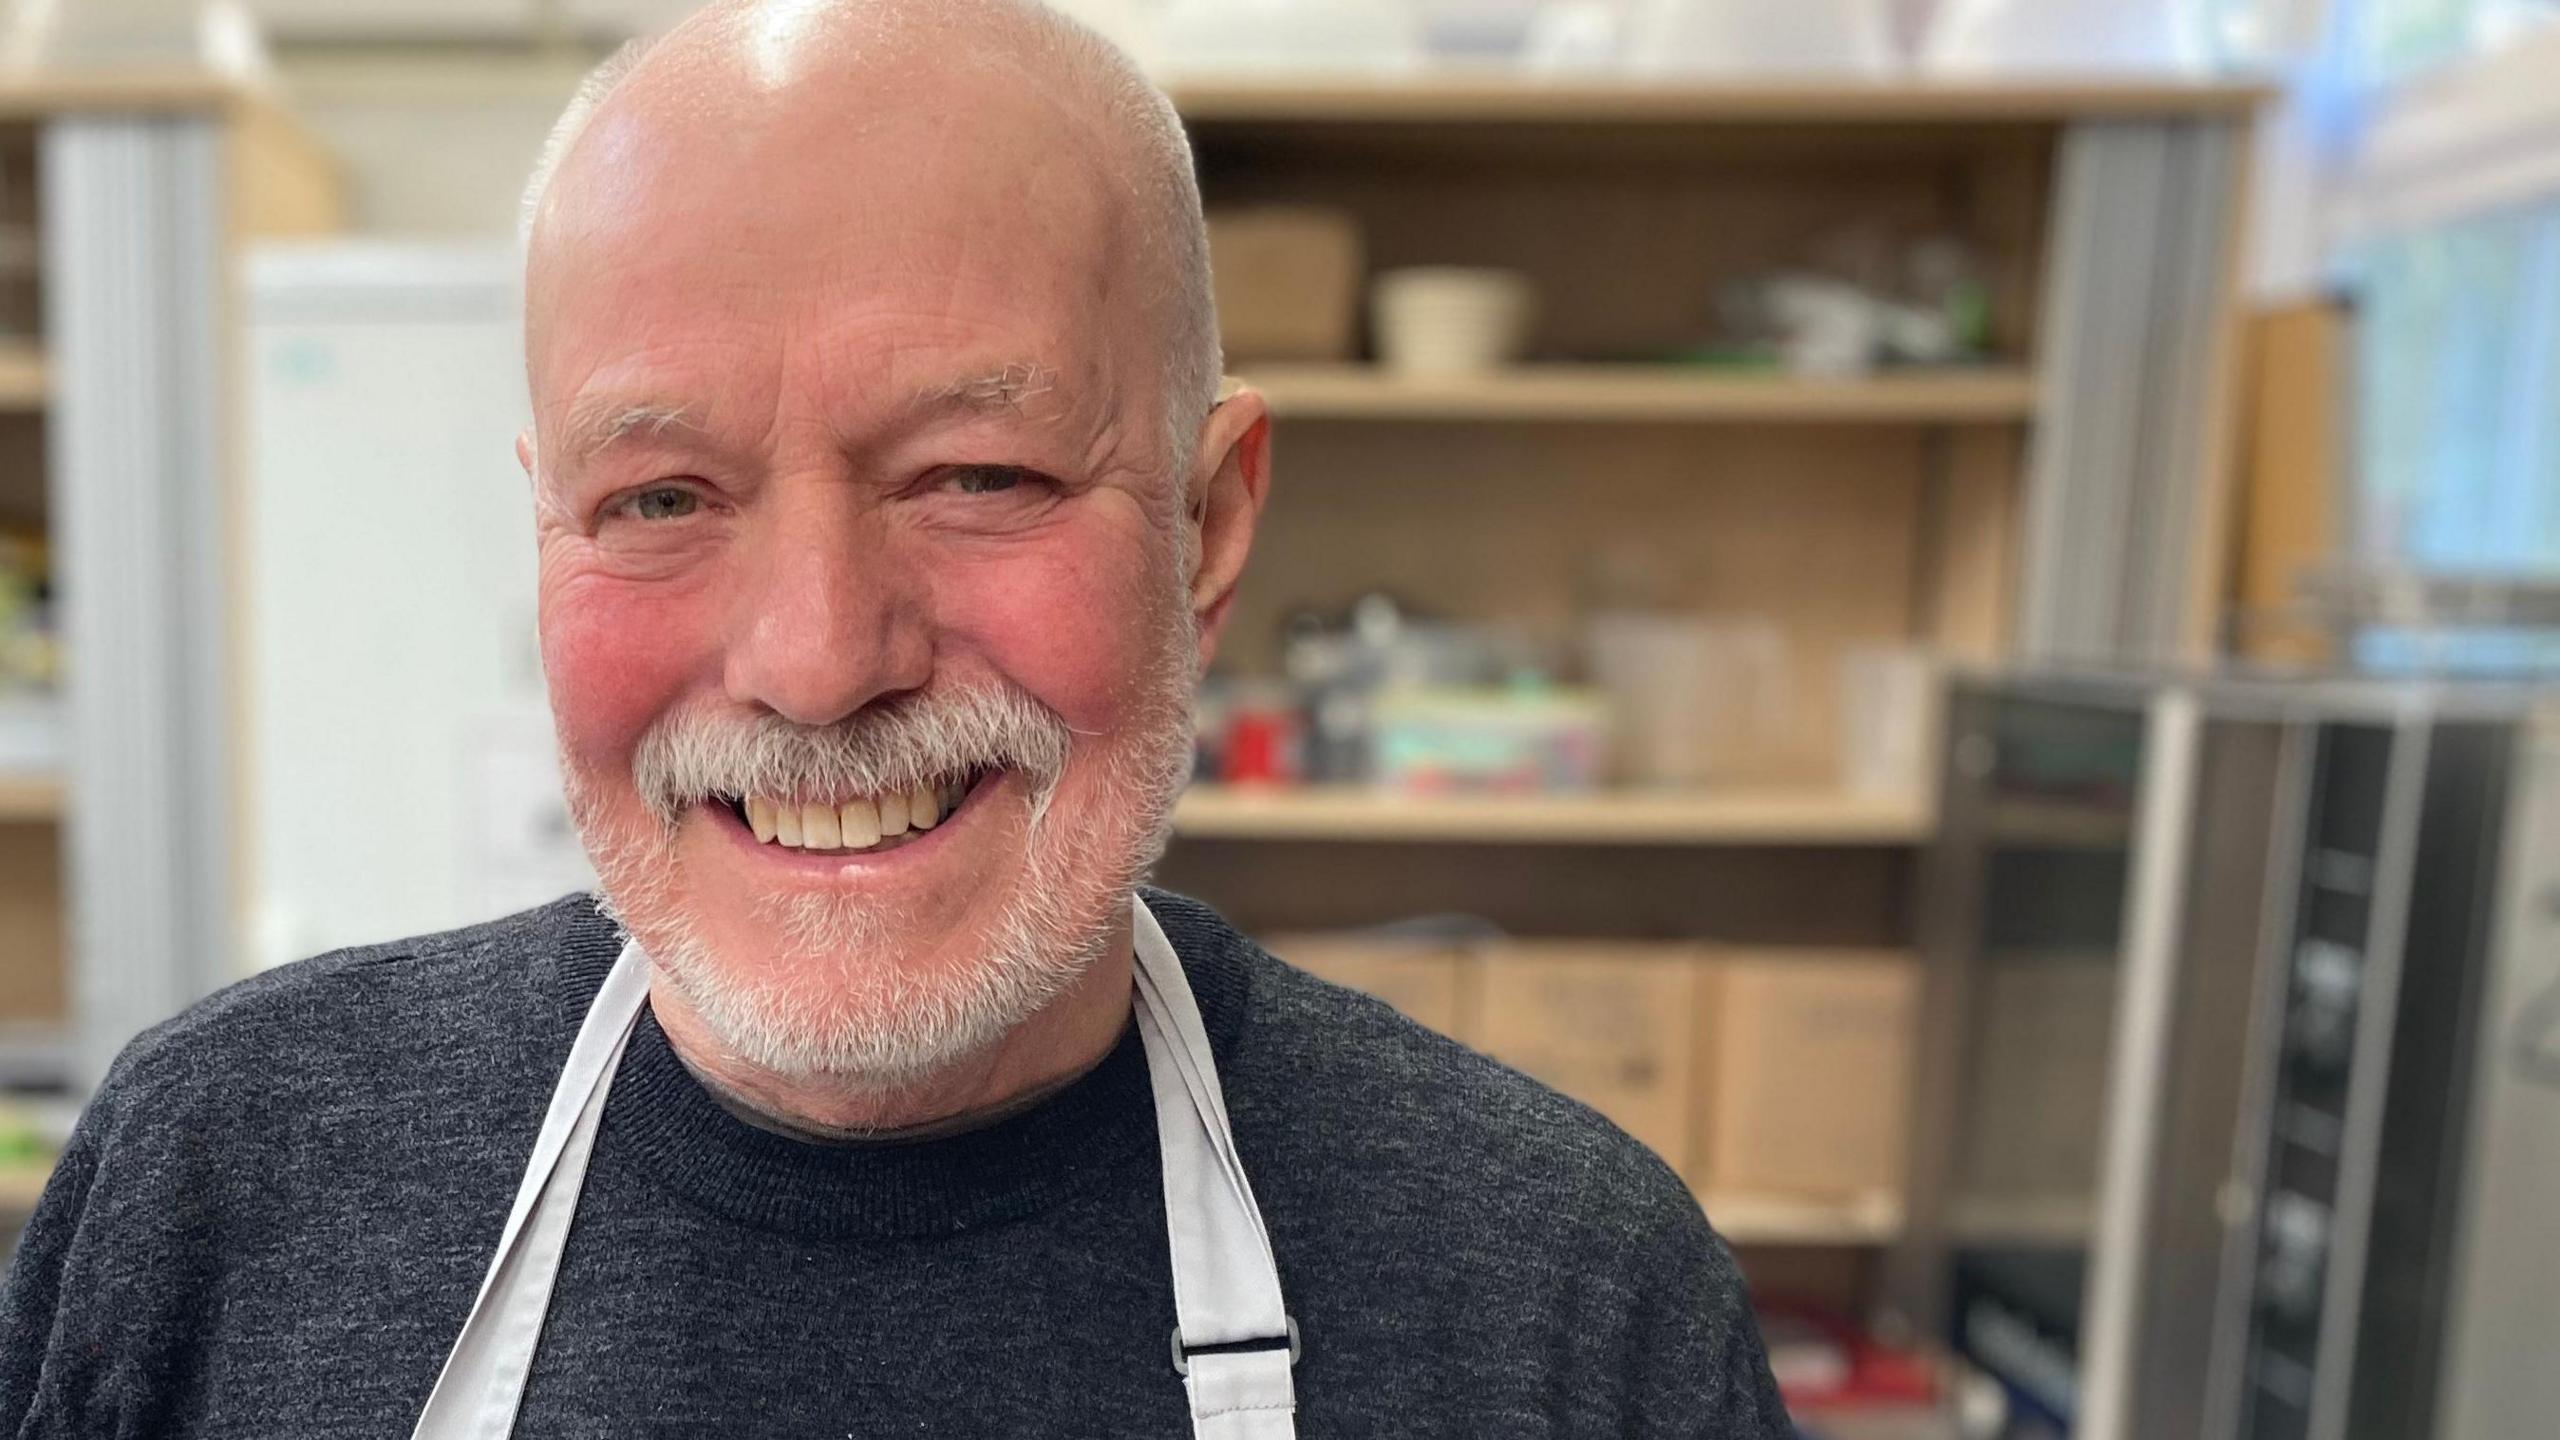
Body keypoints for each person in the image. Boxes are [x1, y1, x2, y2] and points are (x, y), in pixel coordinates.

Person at [0, 2, 1789, 1433]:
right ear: (547, 527)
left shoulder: (1563, 1299)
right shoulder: (218, 1187)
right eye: (662, 499)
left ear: (1206, 523)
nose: (814, 659)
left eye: (974, 473)